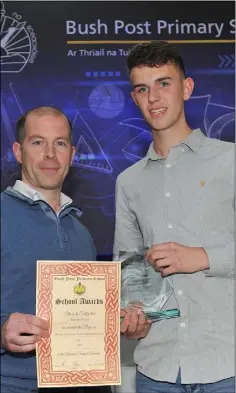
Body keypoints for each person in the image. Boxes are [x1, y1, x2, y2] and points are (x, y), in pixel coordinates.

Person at [115, 41, 235, 393]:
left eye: (164, 83)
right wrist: (131, 315)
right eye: (142, 88)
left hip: (226, 365)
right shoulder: (128, 182)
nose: (153, 97)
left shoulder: (230, 161)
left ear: (186, 87)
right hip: (158, 368)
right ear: (134, 98)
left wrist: (200, 257)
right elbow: (129, 269)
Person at [0, 106, 101, 393]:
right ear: (18, 152)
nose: (49, 154)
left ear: (72, 153)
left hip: (76, 384)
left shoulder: (82, 235)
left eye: (60, 143)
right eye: (37, 142)